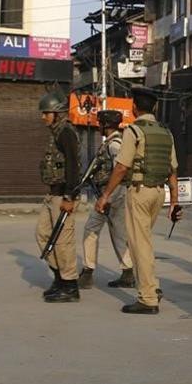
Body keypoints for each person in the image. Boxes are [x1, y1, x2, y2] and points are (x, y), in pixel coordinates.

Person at [95, 86, 182, 315]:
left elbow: (122, 167)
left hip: (140, 192)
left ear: (134, 108)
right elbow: (173, 169)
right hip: (159, 193)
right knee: (145, 243)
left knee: (139, 245)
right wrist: (174, 201)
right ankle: (151, 286)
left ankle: (148, 298)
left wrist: (105, 195)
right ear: (154, 107)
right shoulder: (166, 132)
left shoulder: (133, 131)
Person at [78, 109, 135, 290]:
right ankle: (128, 273)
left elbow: (120, 169)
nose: (99, 127)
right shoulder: (115, 142)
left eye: (100, 124)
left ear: (104, 125)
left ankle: (87, 273)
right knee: (118, 232)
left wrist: (106, 196)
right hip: (115, 193)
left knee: (91, 229)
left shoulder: (114, 145)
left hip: (111, 194)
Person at [35, 90, 81, 303]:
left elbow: (73, 165)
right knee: (43, 234)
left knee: (62, 242)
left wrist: (70, 196)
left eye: (46, 113)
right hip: (52, 194)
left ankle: (70, 285)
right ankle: (59, 278)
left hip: (64, 194)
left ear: (57, 112)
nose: (43, 117)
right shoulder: (55, 132)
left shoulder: (66, 133)